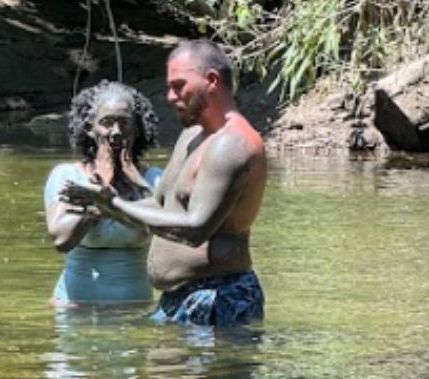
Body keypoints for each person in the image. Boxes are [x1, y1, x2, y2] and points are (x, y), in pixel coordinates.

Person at [61, 40, 267, 326]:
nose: (170, 96)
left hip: (218, 297)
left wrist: (114, 204)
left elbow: (196, 229)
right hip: (177, 298)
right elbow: (159, 204)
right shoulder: (192, 137)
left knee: (206, 373)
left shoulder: (231, 145)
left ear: (211, 81)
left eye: (179, 85)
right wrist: (103, 201)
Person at [45, 80, 161, 305]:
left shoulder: (154, 180)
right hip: (73, 309)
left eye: (125, 123)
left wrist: (138, 183)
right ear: (90, 128)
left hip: (134, 313)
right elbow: (61, 240)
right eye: (107, 123)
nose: (116, 132)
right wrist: (97, 204)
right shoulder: (68, 176)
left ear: (137, 129)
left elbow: (171, 229)